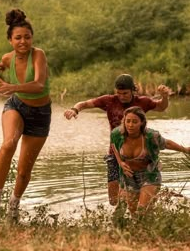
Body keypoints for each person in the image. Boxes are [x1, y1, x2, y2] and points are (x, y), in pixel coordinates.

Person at [0, 8, 51, 221]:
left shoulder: (38, 54)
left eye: (27, 37)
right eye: (18, 38)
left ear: (32, 39)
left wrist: (14, 86)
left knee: (23, 171)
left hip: (40, 113)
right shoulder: (7, 57)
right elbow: (5, 63)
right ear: (10, 40)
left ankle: (13, 206)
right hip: (16, 106)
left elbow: (39, 84)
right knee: (8, 144)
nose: (23, 41)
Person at [64, 74, 170, 206]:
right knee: (114, 200)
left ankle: (141, 211)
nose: (121, 96)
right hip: (115, 154)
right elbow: (85, 104)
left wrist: (165, 97)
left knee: (136, 195)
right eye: (119, 93)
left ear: (133, 90)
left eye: (125, 93)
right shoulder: (109, 100)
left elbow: (161, 107)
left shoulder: (142, 102)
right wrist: (75, 109)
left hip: (138, 155)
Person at [111, 106, 190, 216]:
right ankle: (145, 228)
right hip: (128, 176)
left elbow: (166, 143)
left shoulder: (151, 136)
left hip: (149, 174)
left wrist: (185, 150)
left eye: (135, 122)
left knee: (142, 210)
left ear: (142, 122)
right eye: (127, 121)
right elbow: (114, 147)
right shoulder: (116, 134)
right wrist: (120, 162)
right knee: (133, 212)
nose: (130, 125)